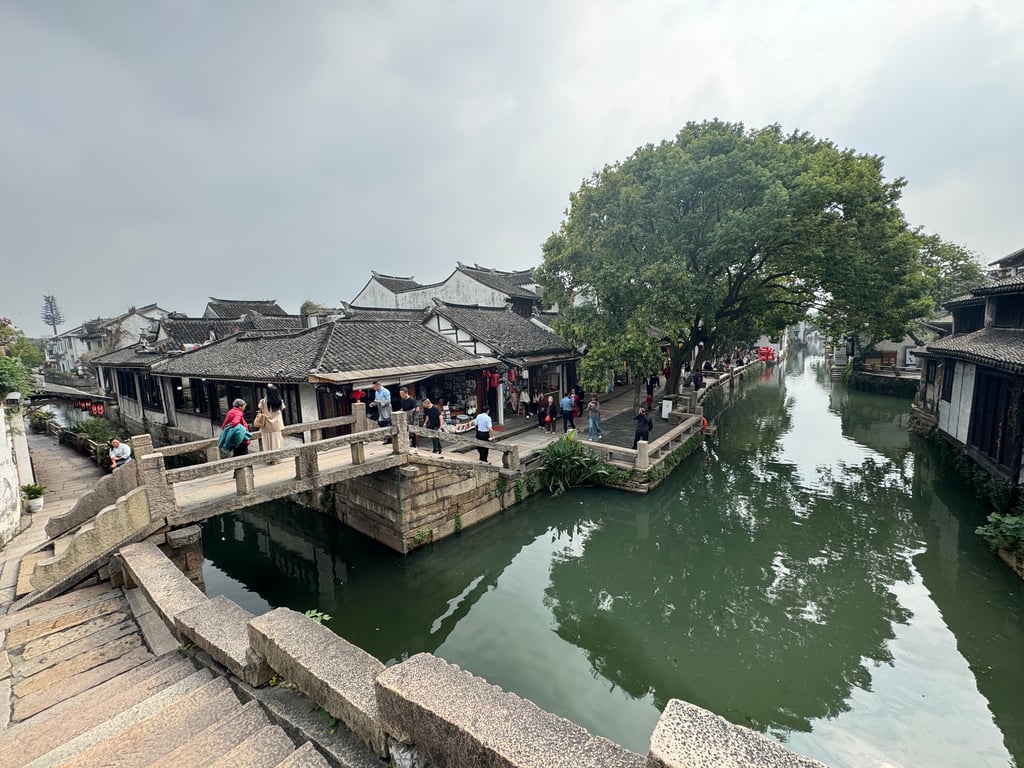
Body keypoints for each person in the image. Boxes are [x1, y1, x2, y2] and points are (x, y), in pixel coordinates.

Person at [258, 385, 286, 462]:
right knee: (276, 441)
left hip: (266, 424)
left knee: (267, 442)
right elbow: (282, 408)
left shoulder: (263, 401)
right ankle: (276, 459)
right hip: (276, 424)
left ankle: (269, 459)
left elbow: (260, 408)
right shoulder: (279, 401)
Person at [398, 387, 419, 451]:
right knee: (406, 431)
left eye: (402, 394)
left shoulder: (411, 399)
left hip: (411, 418)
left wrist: (413, 417)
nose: (401, 395)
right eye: (400, 394)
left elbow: (417, 409)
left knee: (413, 431)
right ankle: (408, 443)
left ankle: (414, 445)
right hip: (405, 418)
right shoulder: (402, 400)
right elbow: (403, 408)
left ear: (406, 393)